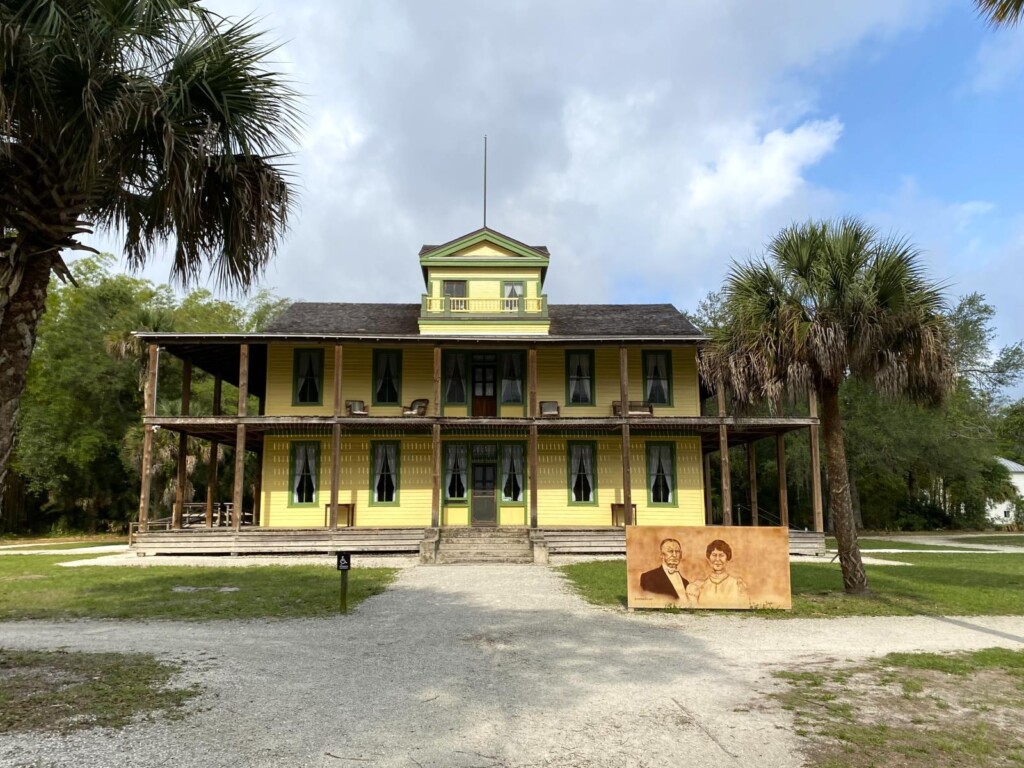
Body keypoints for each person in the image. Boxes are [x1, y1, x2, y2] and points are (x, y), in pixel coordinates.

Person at [686, 539, 750, 609]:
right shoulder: (697, 587)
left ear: (727, 558)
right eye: (714, 555)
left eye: (721, 555)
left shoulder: (738, 586)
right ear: (709, 557)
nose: (717, 559)